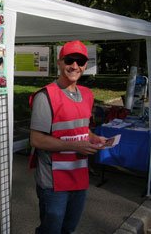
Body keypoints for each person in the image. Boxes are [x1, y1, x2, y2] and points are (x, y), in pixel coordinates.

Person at [30, 40, 107, 234]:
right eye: (69, 60)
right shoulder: (45, 96)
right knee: (51, 230)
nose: (74, 66)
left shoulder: (87, 95)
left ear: (85, 66)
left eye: (80, 61)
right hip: (53, 181)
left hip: (78, 176)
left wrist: (93, 137)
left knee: (69, 229)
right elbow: (37, 140)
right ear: (59, 62)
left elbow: (80, 129)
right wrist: (77, 147)